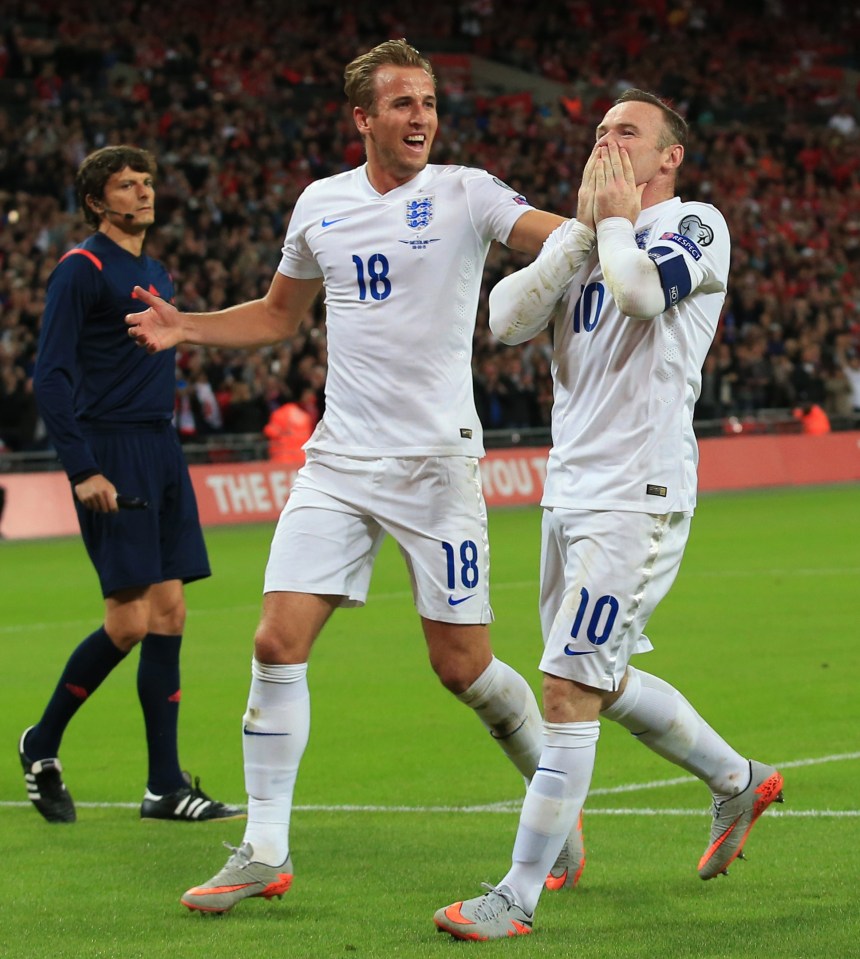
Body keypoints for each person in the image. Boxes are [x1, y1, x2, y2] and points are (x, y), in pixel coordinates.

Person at [125, 38, 580, 914]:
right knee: (273, 642)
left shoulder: (466, 190)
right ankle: (264, 848)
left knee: (462, 666)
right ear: (363, 116)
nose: (421, 117)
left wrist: (605, 234)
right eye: (402, 104)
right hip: (338, 461)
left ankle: (554, 802)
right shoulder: (319, 204)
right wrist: (189, 329)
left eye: (429, 102)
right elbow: (277, 315)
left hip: (437, 465)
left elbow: (551, 239)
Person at [434, 89, 784, 940]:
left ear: (669, 157)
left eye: (626, 132)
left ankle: (516, 895)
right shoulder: (588, 237)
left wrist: (616, 226)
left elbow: (636, 296)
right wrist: (580, 237)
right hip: (570, 491)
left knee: (566, 686)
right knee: (599, 675)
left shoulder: (695, 224)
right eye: (599, 131)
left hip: (640, 492)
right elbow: (505, 317)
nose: (606, 142)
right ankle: (738, 779)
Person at [23, 145, 242, 825]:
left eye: (147, 181)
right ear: (97, 201)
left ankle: (163, 786)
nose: (143, 192)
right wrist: (83, 467)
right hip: (111, 448)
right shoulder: (80, 271)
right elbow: (49, 376)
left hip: (160, 445)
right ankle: (42, 741)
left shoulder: (157, 273)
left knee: (170, 613)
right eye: (126, 184)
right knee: (129, 620)